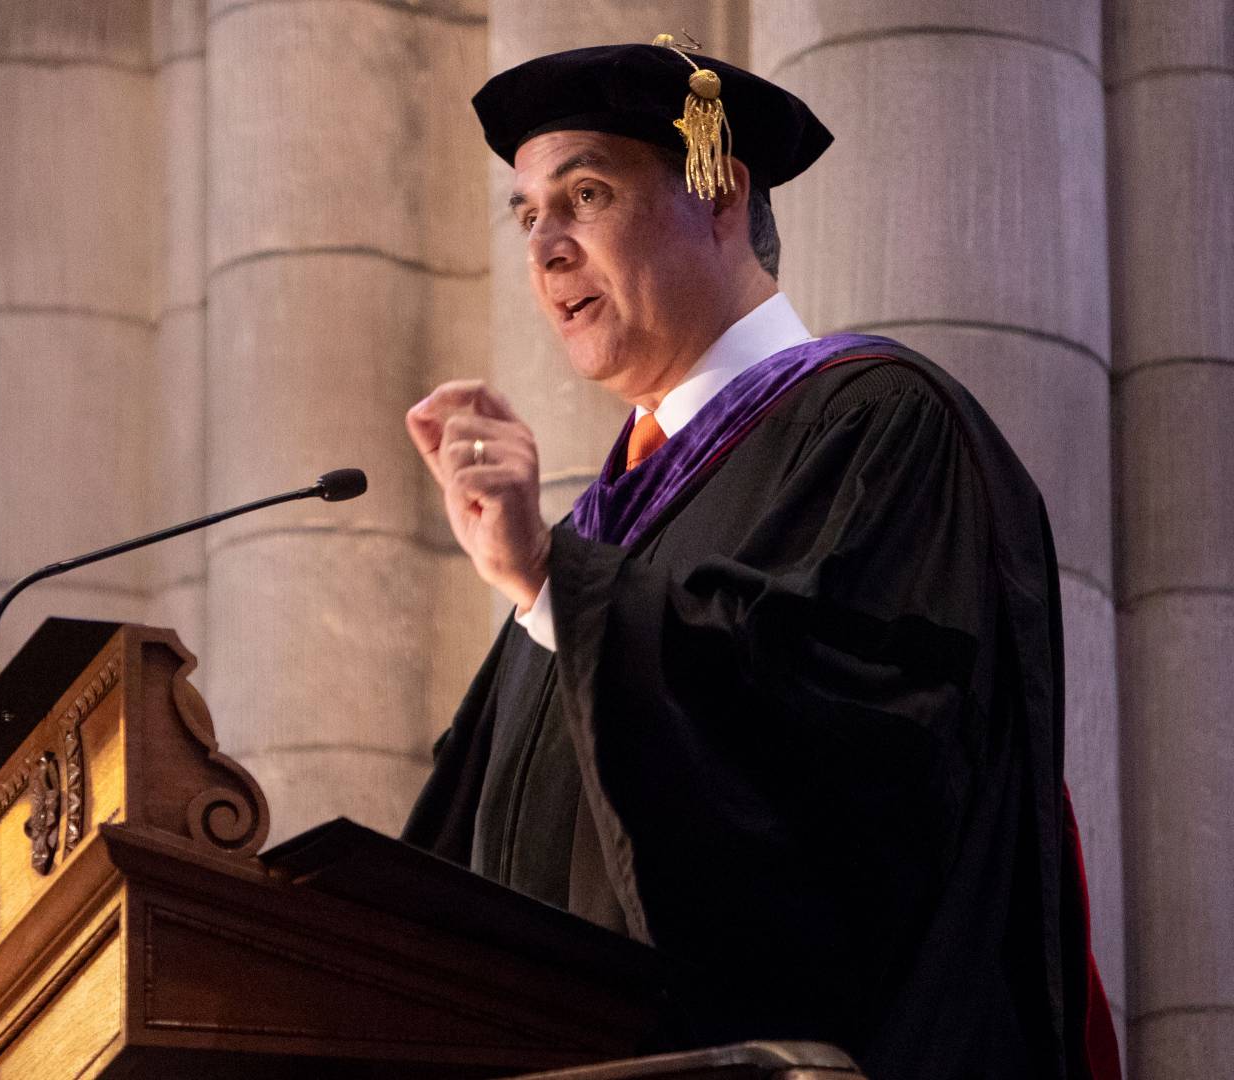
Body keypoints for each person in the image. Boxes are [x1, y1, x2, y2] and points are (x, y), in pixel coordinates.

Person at [398, 41, 1120, 1080]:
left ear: (719, 192)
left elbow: (854, 770)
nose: (545, 249)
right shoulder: (601, 532)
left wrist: (560, 587)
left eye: (585, 194)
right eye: (525, 214)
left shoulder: (881, 424)